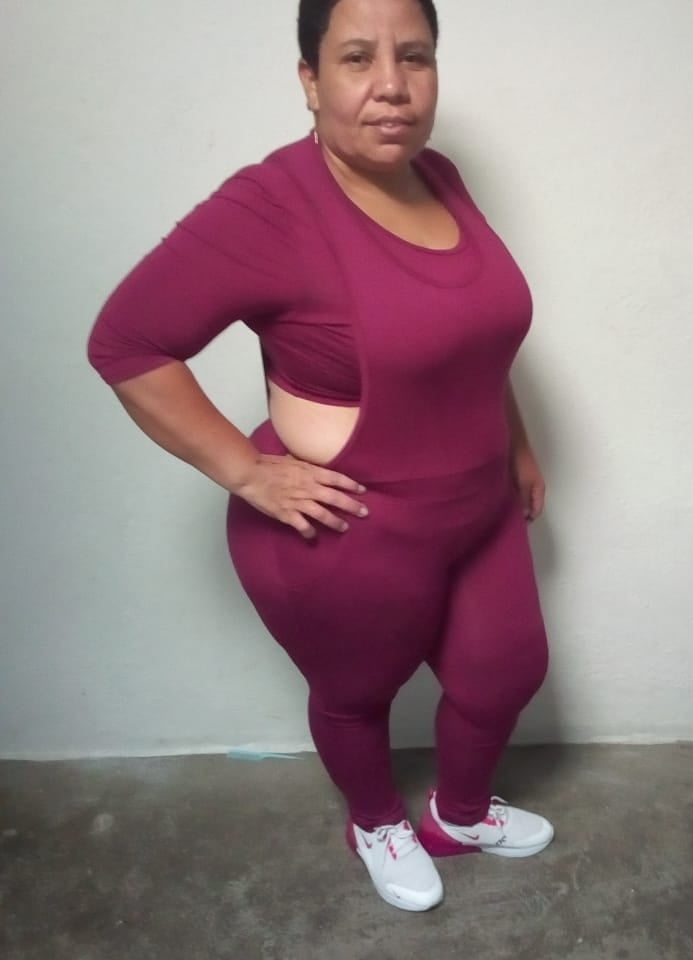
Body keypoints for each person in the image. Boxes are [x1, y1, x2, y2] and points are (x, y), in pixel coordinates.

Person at [87, 0, 553, 912]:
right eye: (357, 58)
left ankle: (459, 815)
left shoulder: (441, 177)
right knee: (356, 693)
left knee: (505, 672)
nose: (392, 85)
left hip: (479, 505)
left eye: (415, 57)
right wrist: (244, 469)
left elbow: (477, 341)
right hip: (355, 528)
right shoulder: (270, 207)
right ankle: (375, 820)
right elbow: (127, 342)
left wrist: (521, 445)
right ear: (309, 79)